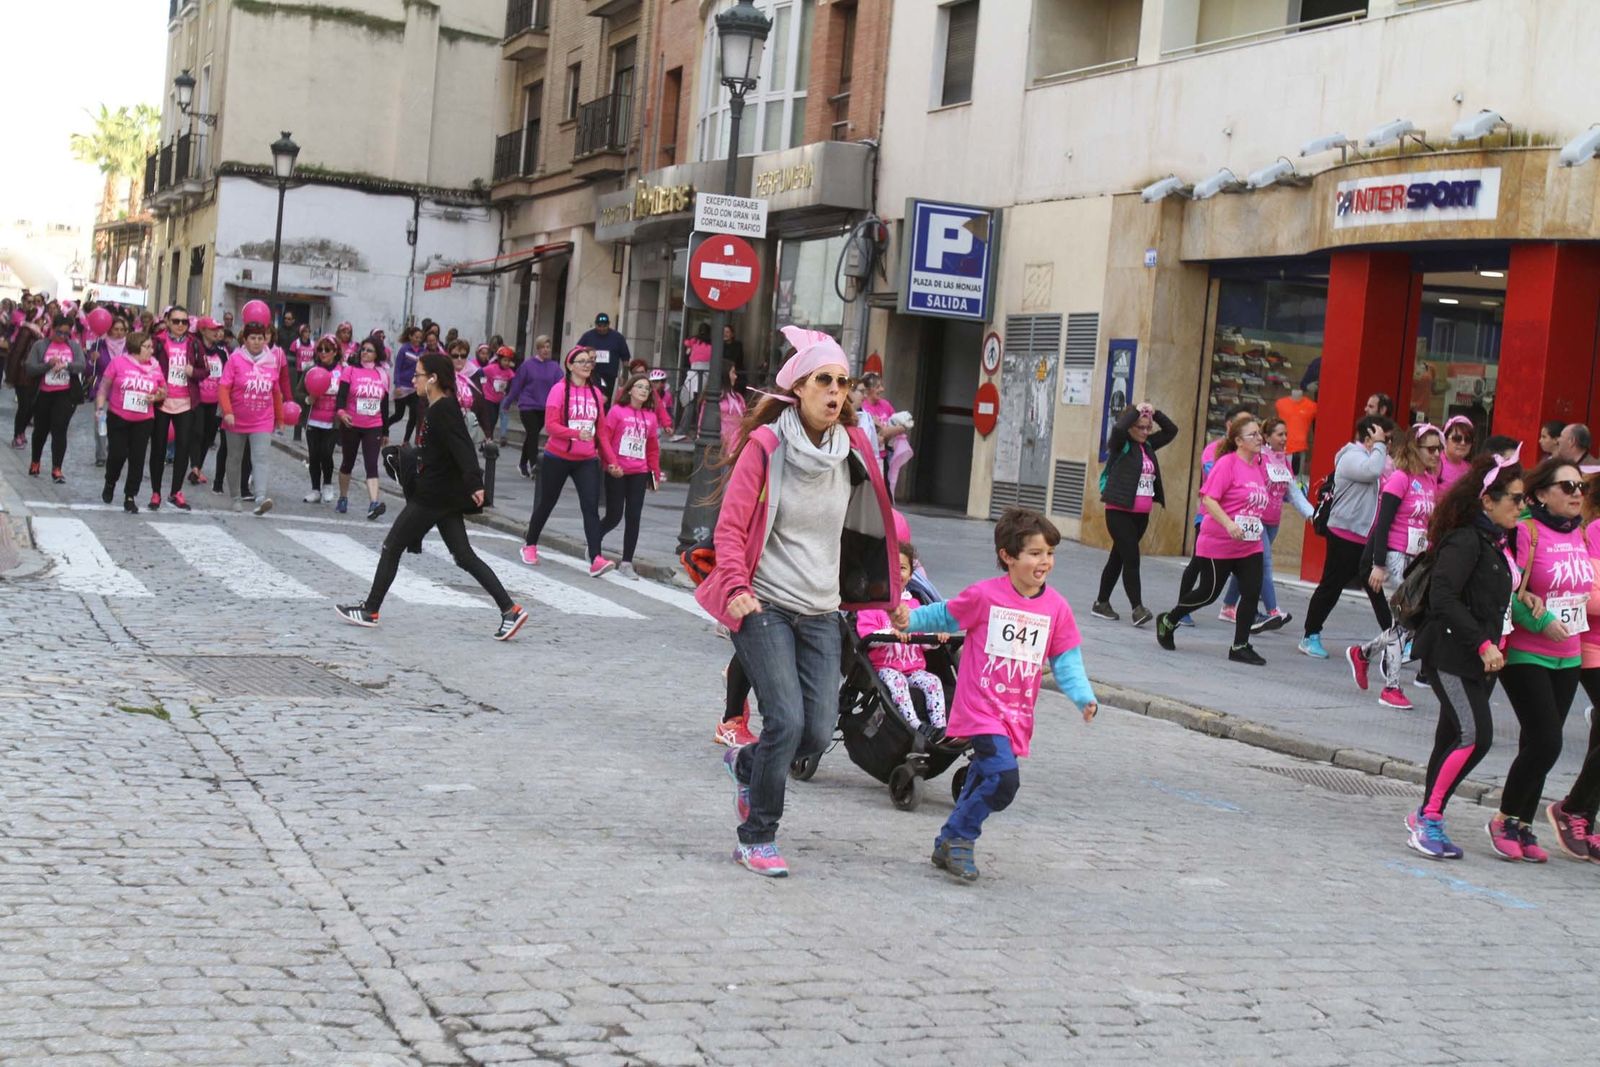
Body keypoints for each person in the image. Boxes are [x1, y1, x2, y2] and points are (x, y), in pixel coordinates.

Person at [700, 324, 900, 878]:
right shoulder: (766, 447)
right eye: (824, 381)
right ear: (798, 389)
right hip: (764, 604)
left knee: (814, 734)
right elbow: (731, 529)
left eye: (844, 381)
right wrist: (738, 590)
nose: (837, 391)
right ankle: (757, 835)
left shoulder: (854, 448)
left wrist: (894, 594)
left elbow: (877, 525)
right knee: (784, 720)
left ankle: (746, 762)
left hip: (821, 610)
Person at [898, 509, 1097, 883]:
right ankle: (961, 837)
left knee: (986, 775)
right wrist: (911, 620)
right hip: (980, 707)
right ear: (1008, 556)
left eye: (1049, 553)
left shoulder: (1056, 607)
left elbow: (1066, 659)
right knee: (1004, 779)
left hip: (1016, 712)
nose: (1045, 562)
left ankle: (947, 840)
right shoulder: (986, 595)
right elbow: (946, 615)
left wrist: (1083, 696)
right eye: (1035, 553)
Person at [336, 352, 528, 640]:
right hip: (444, 495)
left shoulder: (443, 409)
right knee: (463, 556)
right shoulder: (437, 406)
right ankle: (509, 610)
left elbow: (462, 446)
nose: (414, 379)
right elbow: (441, 452)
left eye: (418, 374)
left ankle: (371, 610)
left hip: (432, 497)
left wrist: (476, 483)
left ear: (433, 378)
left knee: (392, 546)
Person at [1405, 453, 1525, 859]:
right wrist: (1482, 643)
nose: (1521, 507)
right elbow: (1442, 596)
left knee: (1451, 738)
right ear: (1487, 501)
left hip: (1478, 659)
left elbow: (1489, 599)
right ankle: (1429, 820)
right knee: (1476, 736)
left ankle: (1425, 813)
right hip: (1451, 654)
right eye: (1514, 498)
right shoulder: (1466, 539)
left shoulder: (1495, 541)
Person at [1490, 457, 1594, 863]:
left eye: (1580, 487)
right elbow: (1506, 590)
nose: (1576, 494)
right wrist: (1541, 616)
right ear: (1541, 495)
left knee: (1536, 742)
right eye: (1567, 487)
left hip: (1568, 655)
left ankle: (1524, 823)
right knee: (1549, 741)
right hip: (1526, 652)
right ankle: (1502, 818)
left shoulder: (1580, 533)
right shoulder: (1526, 532)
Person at [1155, 413, 1272, 666]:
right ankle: (1169, 620)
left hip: (1249, 543)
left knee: (1251, 592)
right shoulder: (1227, 464)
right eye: (1253, 434)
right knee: (1208, 593)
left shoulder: (1259, 466)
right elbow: (1208, 499)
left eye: (1259, 433)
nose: (1259, 438)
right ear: (1239, 441)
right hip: (1218, 542)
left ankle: (1240, 645)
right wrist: (1229, 523)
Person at [1345, 423, 1444, 711]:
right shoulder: (1400, 479)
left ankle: (1363, 654)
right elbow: (1383, 522)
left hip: (1417, 557)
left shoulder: (1428, 480)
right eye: (1431, 448)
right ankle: (1391, 687)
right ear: (1415, 448)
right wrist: (1378, 564)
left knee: (1410, 621)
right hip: (1395, 555)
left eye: (1439, 448)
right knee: (1404, 621)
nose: (1438, 453)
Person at [1298, 415, 1394, 659]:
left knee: (1374, 587)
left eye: (1389, 440)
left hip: (1363, 535)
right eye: (1383, 438)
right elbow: (1372, 472)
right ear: (1369, 435)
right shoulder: (1352, 456)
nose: (1387, 443)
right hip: (1344, 532)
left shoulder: (1376, 457)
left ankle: (1394, 638)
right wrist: (1380, 446)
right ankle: (1310, 635)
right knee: (1331, 585)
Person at [519, 346, 617, 576]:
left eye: (589, 362)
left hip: (587, 459)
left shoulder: (595, 394)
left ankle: (596, 558)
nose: (586, 365)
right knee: (546, 503)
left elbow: (601, 431)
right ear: (570, 365)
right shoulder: (559, 390)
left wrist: (611, 461)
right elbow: (551, 425)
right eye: (581, 361)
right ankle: (530, 545)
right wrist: (574, 433)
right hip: (558, 456)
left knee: (590, 508)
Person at [1544, 471, 1600, 860]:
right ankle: (1572, 808)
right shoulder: (1595, 532)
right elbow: (1585, 595)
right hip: (1591, 644)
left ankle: (1584, 817)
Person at [1220, 417, 1313, 632]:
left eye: (1286, 434)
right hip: (1256, 520)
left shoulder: (1285, 461)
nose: (1284, 438)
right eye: (1280, 434)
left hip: (1273, 522)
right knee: (1265, 563)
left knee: (1245, 566)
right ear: (1268, 436)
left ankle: (1228, 606)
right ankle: (1273, 610)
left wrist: (1312, 514)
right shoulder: (1260, 457)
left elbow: (1293, 493)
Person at [1092, 401, 1177, 627]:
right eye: (1141, 427)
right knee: (1132, 558)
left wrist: (1155, 413)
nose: (1146, 432)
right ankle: (1137, 608)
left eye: (1148, 428)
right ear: (1131, 426)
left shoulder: (1147, 446)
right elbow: (1119, 429)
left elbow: (1171, 431)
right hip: (1119, 512)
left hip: (1141, 515)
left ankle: (1101, 602)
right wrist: (1136, 411)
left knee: (1118, 557)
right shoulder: (1121, 443)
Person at [858, 543, 949, 737]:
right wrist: (890, 633)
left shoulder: (915, 605)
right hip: (886, 668)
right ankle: (914, 724)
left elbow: (922, 642)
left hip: (914, 668)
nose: (896, 573)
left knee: (933, 681)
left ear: (910, 574)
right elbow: (867, 637)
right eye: (891, 568)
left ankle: (940, 727)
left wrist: (935, 638)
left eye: (902, 568)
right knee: (897, 681)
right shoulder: (871, 606)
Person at [598, 373, 661, 579]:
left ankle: (626, 562)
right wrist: (610, 464)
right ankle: (593, 541)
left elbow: (652, 449)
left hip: (639, 472)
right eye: (640, 386)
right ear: (630, 390)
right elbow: (605, 439)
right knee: (614, 515)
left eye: (647, 388)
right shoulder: (617, 412)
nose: (644, 391)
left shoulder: (651, 417)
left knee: (634, 517)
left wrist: (654, 477)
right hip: (617, 471)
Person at [218, 321, 285, 515]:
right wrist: (228, 411)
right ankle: (236, 497)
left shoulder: (272, 361)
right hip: (236, 418)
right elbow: (223, 387)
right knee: (235, 458)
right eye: (252, 338)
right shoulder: (235, 359)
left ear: (265, 340)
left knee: (261, 457)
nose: (256, 342)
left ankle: (261, 497)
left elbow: (276, 390)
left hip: (262, 419)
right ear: (245, 340)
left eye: (260, 338)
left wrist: (280, 418)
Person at [96, 331, 166, 513]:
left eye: (152, 347)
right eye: (148, 347)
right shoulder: (119, 362)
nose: (152, 350)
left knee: (137, 457)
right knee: (117, 454)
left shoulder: (155, 367)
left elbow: (163, 390)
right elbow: (104, 386)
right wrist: (100, 408)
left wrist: (157, 396)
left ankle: (130, 495)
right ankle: (110, 482)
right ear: (136, 347)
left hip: (143, 419)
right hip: (118, 416)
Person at [148, 306, 209, 511]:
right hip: (162, 401)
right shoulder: (157, 342)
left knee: (183, 447)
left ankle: (176, 492)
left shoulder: (194, 344)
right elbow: (146, 365)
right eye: (176, 321)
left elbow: (205, 370)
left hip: (185, 401)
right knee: (158, 448)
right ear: (167, 321)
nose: (181, 325)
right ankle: (156, 492)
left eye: (184, 321)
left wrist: (193, 372)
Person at [24, 313, 88, 482]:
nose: (63, 337)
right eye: (59, 332)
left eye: (67, 333)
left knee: (60, 430)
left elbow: (82, 365)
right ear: (52, 329)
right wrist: (48, 365)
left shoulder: (73, 346)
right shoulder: (40, 345)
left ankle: (57, 468)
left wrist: (67, 365)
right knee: (41, 431)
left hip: (64, 394)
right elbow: (30, 368)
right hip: (44, 393)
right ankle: (35, 461)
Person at [335, 337, 391, 520]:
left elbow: (384, 406)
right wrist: (342, 413)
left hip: (373, 426)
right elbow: (341, 397)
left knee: (372, 464)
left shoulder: (382, 374)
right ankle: (343, 497)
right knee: (347, 463)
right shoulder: (350, 371)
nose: (365, 353)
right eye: (363, 350)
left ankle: (373, 503)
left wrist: (386, 431)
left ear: (377, 354)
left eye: (369, 350)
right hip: (351, 423)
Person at [503, 334, 561, 479]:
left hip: (544, 407)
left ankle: (522, 464)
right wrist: (508, 402)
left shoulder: (554, 367)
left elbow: (561, 385)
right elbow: (517, 385)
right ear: (537, 349)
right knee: (533, 433)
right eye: (543, 347)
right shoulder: (527, 365)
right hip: (528, 405)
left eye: (548, 347)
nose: (546, 350)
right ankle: (535, 465)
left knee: (531, 435)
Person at [298, 337, 343, 504]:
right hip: (313, 420)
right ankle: (315, 489)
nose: (323, 353)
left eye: (327, 349)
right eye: (320, 349)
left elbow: (346, 395)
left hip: (332, 422)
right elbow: (299, 392)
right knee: (314, 455)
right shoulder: (310, 370)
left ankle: (328, 484)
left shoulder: (343, 371)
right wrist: (308, 399)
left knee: (326, 452)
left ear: (335, 352)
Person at [90, 316, 129, 468]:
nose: (119, 333)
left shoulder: (130, 347)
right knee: (101, 422)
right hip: (102, 389)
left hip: (122, 391)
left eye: (122, 330)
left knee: (117, 424)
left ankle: (113, 448)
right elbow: (89, 369)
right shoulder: (99, 345)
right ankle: (101, 454)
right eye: (116, 329)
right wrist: (92, 359)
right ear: (109, 329)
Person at [575, 312, 630, 397]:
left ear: (609, 324)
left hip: (610, 377)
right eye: (599, 326)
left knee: (606, 399)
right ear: (595, 325)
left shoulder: (618, 338)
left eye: (604, 326)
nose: (602, 328)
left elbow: (626, 359)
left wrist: (624, 377)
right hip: (590, 375)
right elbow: (576, 352)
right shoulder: (587, 336)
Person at [389, 325, 424, 445]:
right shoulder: (404, 349)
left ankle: (406, 440)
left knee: (414, 415)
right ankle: (384, 428)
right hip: (402, 387)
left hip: (415, 388)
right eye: (416, 337)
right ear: (410, 337)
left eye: (420, 338)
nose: (418, 340)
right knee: (399, 415)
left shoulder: (422, 351)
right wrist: (397, 385)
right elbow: (397, 368)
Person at [481, 347, 516, 444]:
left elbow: (514, 381)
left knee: (495, 419)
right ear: (499, 360)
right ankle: (489, 439)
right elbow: (479, 372)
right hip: (488, 398)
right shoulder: (492, 368)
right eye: (505, 360)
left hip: (498, 399)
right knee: (491, 420)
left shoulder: (509, 372)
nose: (507, 363)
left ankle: (486, 440)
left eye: (509, 361)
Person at [1439, 415, 1475, 488]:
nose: (1463, 443)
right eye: (1457, 438)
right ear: (1445, 440)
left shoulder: (1470, 470)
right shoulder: (1434, 464)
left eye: (1468, 439)